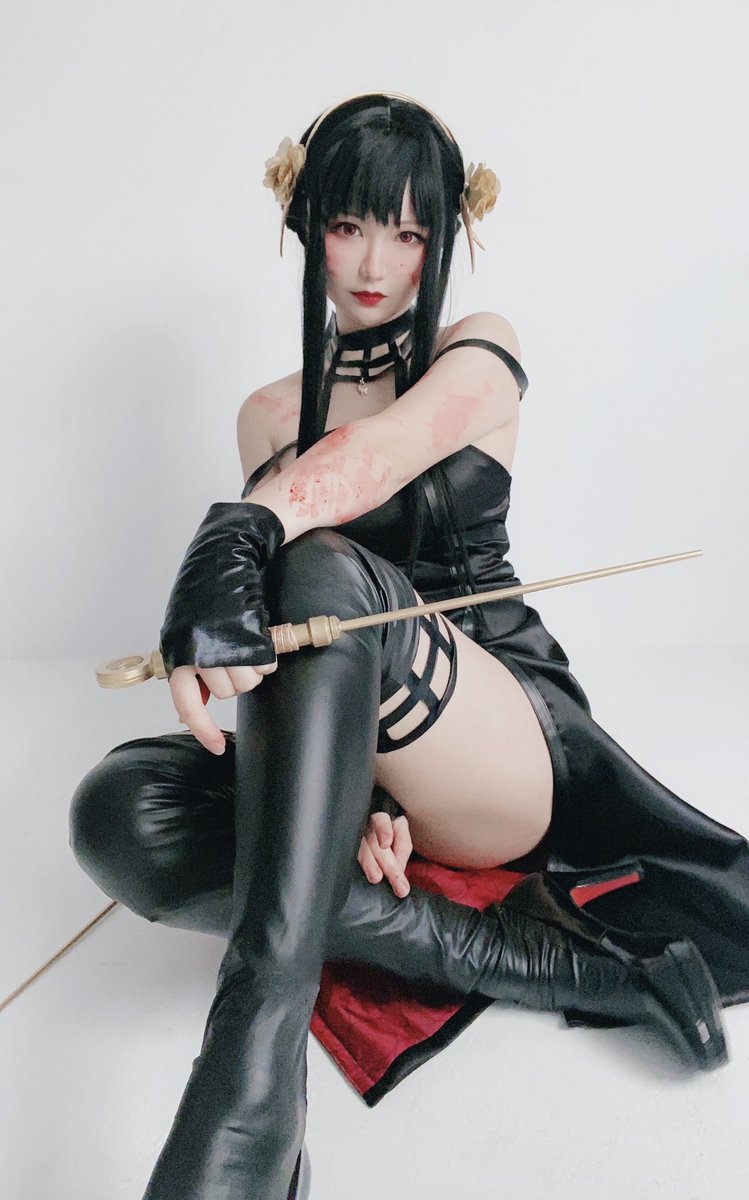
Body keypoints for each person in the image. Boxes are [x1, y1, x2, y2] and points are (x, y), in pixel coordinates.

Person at [68, 92, 749, 1200]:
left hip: (502, 741)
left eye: (408, 231)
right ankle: (546, 961)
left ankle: (249, 1084)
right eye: (348, 226)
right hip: (372, 749)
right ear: (306, 228)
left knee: (317, 572)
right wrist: (354, 791)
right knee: (118, 811)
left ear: (446, 238)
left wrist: (238, 531)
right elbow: (285, 652)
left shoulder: (477, 351)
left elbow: (375, 458)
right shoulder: (267, 414)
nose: (376, 263)